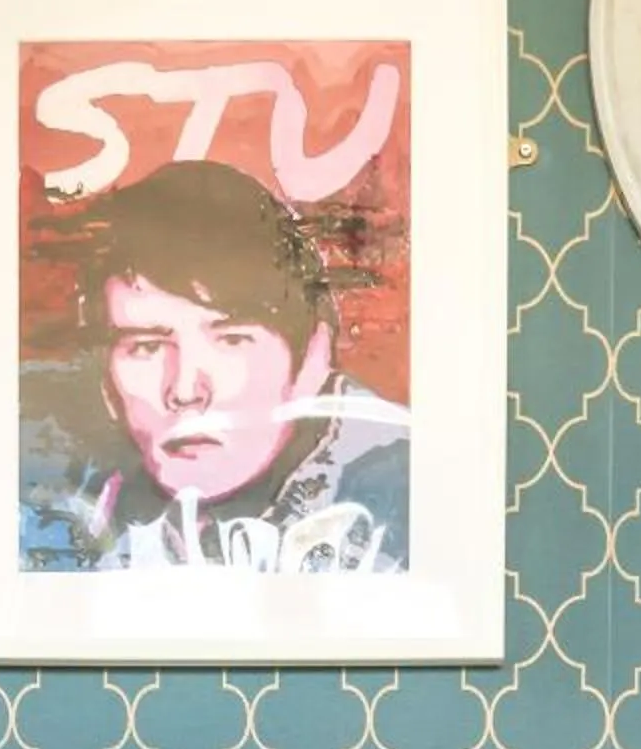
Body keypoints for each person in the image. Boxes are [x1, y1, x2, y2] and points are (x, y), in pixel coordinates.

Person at [20, 159, 410, 573]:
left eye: (232, 340)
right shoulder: (41, 482)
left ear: (313, 359)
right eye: (147, 347)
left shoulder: (404, 507)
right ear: (106, 379)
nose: (185, 389)